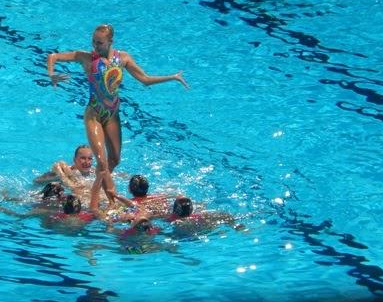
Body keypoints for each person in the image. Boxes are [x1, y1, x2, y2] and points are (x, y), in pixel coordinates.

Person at [47, 23, 188, 209]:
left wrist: (172, 77)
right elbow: (53, 56)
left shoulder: (123, 58)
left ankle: (95, 189)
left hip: (112, 115)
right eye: (93, 42)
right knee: (103, 162)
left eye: (99, 43)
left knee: (115, 160)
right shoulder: (86, 57)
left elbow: (145, 80)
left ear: (110, 42)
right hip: (94, 114)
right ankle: (107, 200)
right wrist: (51, 74)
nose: (95, 46)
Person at [165, 197, 246, 235]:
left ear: (174, 209)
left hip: (184, 238)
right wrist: (235, 225)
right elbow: (225, 216)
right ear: (191, 209)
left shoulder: (171, 220)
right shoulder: (201, 215)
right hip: (205, 231)